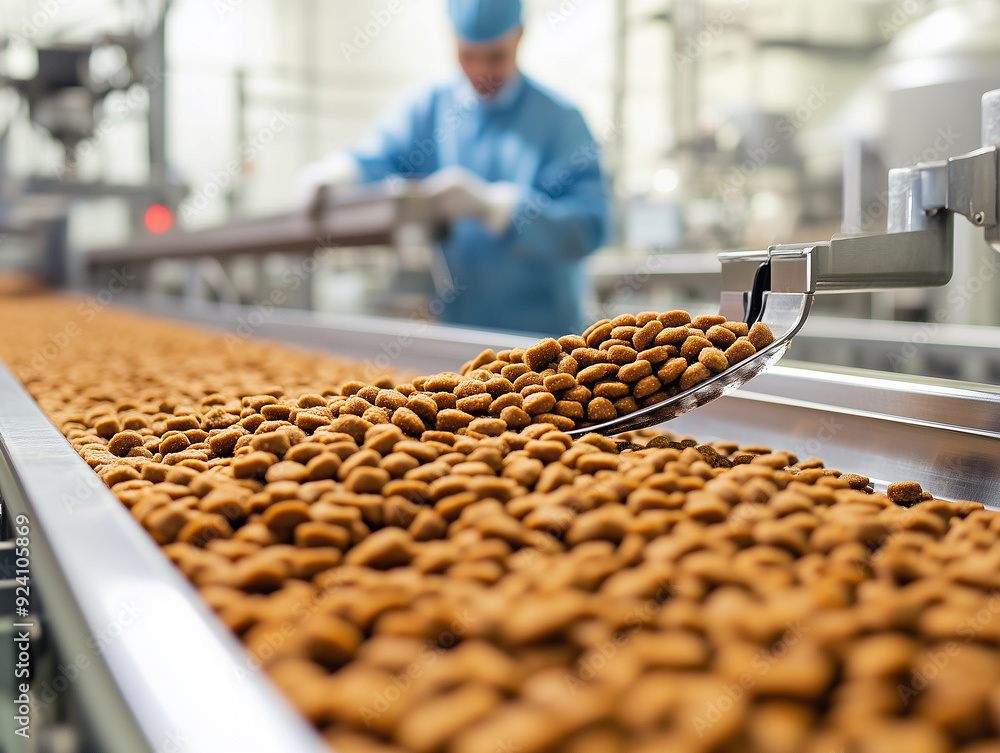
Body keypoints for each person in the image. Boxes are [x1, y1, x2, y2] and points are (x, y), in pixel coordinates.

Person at [297, 0, 610, 336]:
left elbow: (590, 225)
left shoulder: (560, 121)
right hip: (461, 331)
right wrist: (341, 171)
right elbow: (380, 156)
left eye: (495, 57)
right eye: (467, 56)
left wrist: (498, 209)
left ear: (519, 37)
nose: (480, 72)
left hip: (544, 336)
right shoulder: (429, 109)